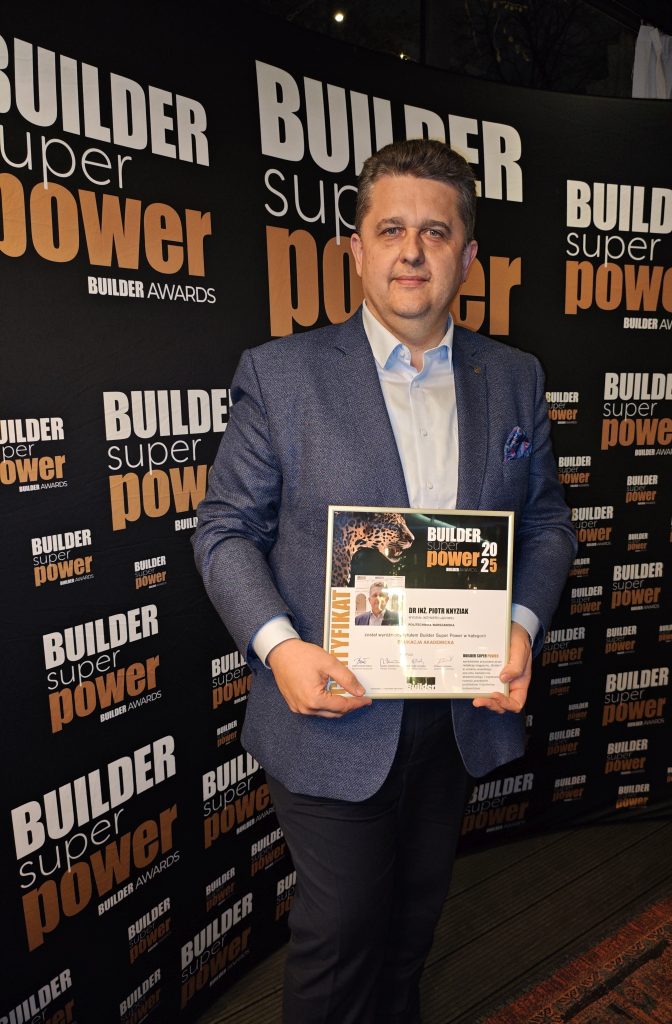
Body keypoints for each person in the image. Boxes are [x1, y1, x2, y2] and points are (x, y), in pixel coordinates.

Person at [192, 138, 576, 1024]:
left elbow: (547, 524)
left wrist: (521, 624)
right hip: (331, 713)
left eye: (435, 233)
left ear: (467, 257)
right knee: (342, 937)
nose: (412, 251)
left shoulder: (515, 378)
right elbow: (224, 531)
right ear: (355, 250)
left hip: (457, 716)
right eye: (391, 230)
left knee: (411, 925)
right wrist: (280, 650)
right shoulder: (281, 375)